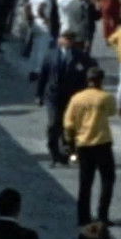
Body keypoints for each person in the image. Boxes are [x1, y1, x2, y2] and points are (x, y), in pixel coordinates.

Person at [64, 67, 117, 226]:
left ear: (87, 80)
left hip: (83, 144)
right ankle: (102, 215)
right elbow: (112, 112)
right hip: (102, 143)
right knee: (107, 179)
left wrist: (70, 143)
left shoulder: (76, 98)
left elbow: (68, 123)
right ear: (101, 80)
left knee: (85, 182)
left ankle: (83, 217)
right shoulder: (106, 97)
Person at [37, 31, 96, 166]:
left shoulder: (81, 57)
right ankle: (54, 153)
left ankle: (67, 151)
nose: (67, 41)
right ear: (60, 40)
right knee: (54, 123)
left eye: (70, 39)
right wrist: (39, 94)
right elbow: (43, 75)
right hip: (53, 95)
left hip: (71, 96)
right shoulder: (51, 55)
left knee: (69, 125)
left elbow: (88, 75)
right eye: (65, 38)